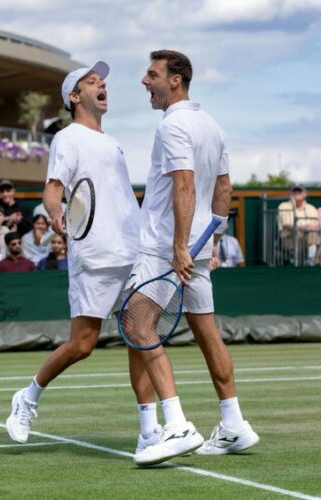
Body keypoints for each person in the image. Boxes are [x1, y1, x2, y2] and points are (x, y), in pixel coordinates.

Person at [6, 61, 158, 460]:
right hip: (94, 252)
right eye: (92, 82)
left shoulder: (113, 143)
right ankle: (28, 395)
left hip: (133, 250)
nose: (101, 85)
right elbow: (53, 189)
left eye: (103, 81)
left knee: (139, 339)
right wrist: (55, 214)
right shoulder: (66, 138)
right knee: (83, 344)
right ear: (74, 97)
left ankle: (149, 432)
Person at [129, 50, 259, 465]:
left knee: (136, 324)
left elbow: (184, 186)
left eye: (152, 75)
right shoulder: (212, 126)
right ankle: (234, 423)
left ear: (176, 80)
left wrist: (180, 246)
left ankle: (177, 424)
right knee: (207, 332)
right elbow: (224, 191)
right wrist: (211, 242)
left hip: (167, 246)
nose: (144, 81)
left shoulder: (172, 127)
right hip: (198, 247)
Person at [277, 184, 321, 266]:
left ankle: (310, 262)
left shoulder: (311, 208)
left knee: (313, 234)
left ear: (305, 194)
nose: (297, 193)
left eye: (299, 191)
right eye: (294, 191)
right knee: (311, 233)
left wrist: (303, 227)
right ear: (291, 194)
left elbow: (317, 225)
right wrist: (305, 227)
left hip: (308, 239)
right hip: (290, 239)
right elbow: (287, 224)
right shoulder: (283, 206)